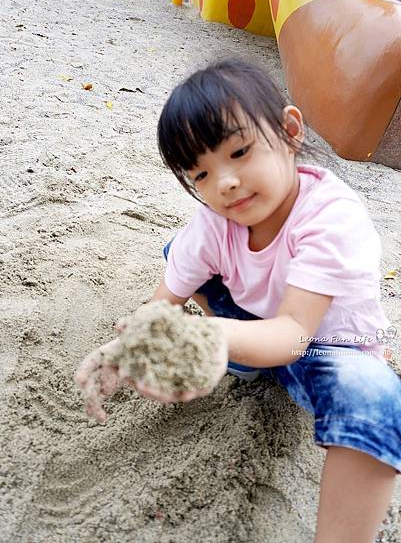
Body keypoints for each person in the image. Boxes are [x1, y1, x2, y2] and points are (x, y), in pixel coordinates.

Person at [75, 59, 401, 543]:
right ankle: (244, 360)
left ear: (290, 131)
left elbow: (293, 334)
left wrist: (209, 336)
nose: (224, 182)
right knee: (178, 253)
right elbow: (161, 303)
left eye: (241, 151)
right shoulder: (214, 219)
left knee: (375, 394)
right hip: (251, 324)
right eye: (200, 174)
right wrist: (129, 348)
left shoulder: (332, 217)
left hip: (321, 349)